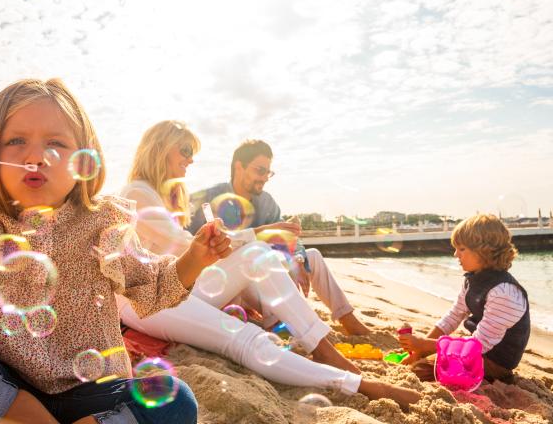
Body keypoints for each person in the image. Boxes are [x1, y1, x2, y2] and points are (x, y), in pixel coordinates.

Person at [0, 79, 233, 424]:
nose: (35, 156)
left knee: (176, 400)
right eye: (16, 141)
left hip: (91, 395)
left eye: (56, 143)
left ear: (83, 161)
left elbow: (154, 284)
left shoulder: (103, 223)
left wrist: (196, 259)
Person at [116, 121, 421, 410]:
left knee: (256, 255)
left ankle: (323, 348)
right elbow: (185, 246)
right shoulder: (137, 193)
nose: (191, 160)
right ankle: (353, 383)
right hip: (147, 299)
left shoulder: (167, 196)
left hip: (177, 287)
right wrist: (252, 234)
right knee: (241, 337)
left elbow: (190, 260)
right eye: (185, 151)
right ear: (158, 147)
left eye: (192, 153)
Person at [188, 139, 369, 335]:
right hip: (226, 282)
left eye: (268, 172)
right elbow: (197, 245)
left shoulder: (266, 202)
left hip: (263, 282)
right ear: (239, 167)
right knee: (256, 257)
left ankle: (347, 318)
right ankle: (278, 324)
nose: (265, 177)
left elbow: (288, 238)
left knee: (312, 256)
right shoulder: (209, 198)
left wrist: (298, 257)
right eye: (260, 170)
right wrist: (264, 234)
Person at [398, 214, 530, 383]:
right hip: (476, 349)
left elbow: (478, 345)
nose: (455, 254)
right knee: (423, 361)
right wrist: (419, 350)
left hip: (493, 361)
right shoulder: (472, 279)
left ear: (485, 252)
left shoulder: (504, 292)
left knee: (422, 370)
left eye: (462, 249)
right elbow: (453, 316)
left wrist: (426, 345)